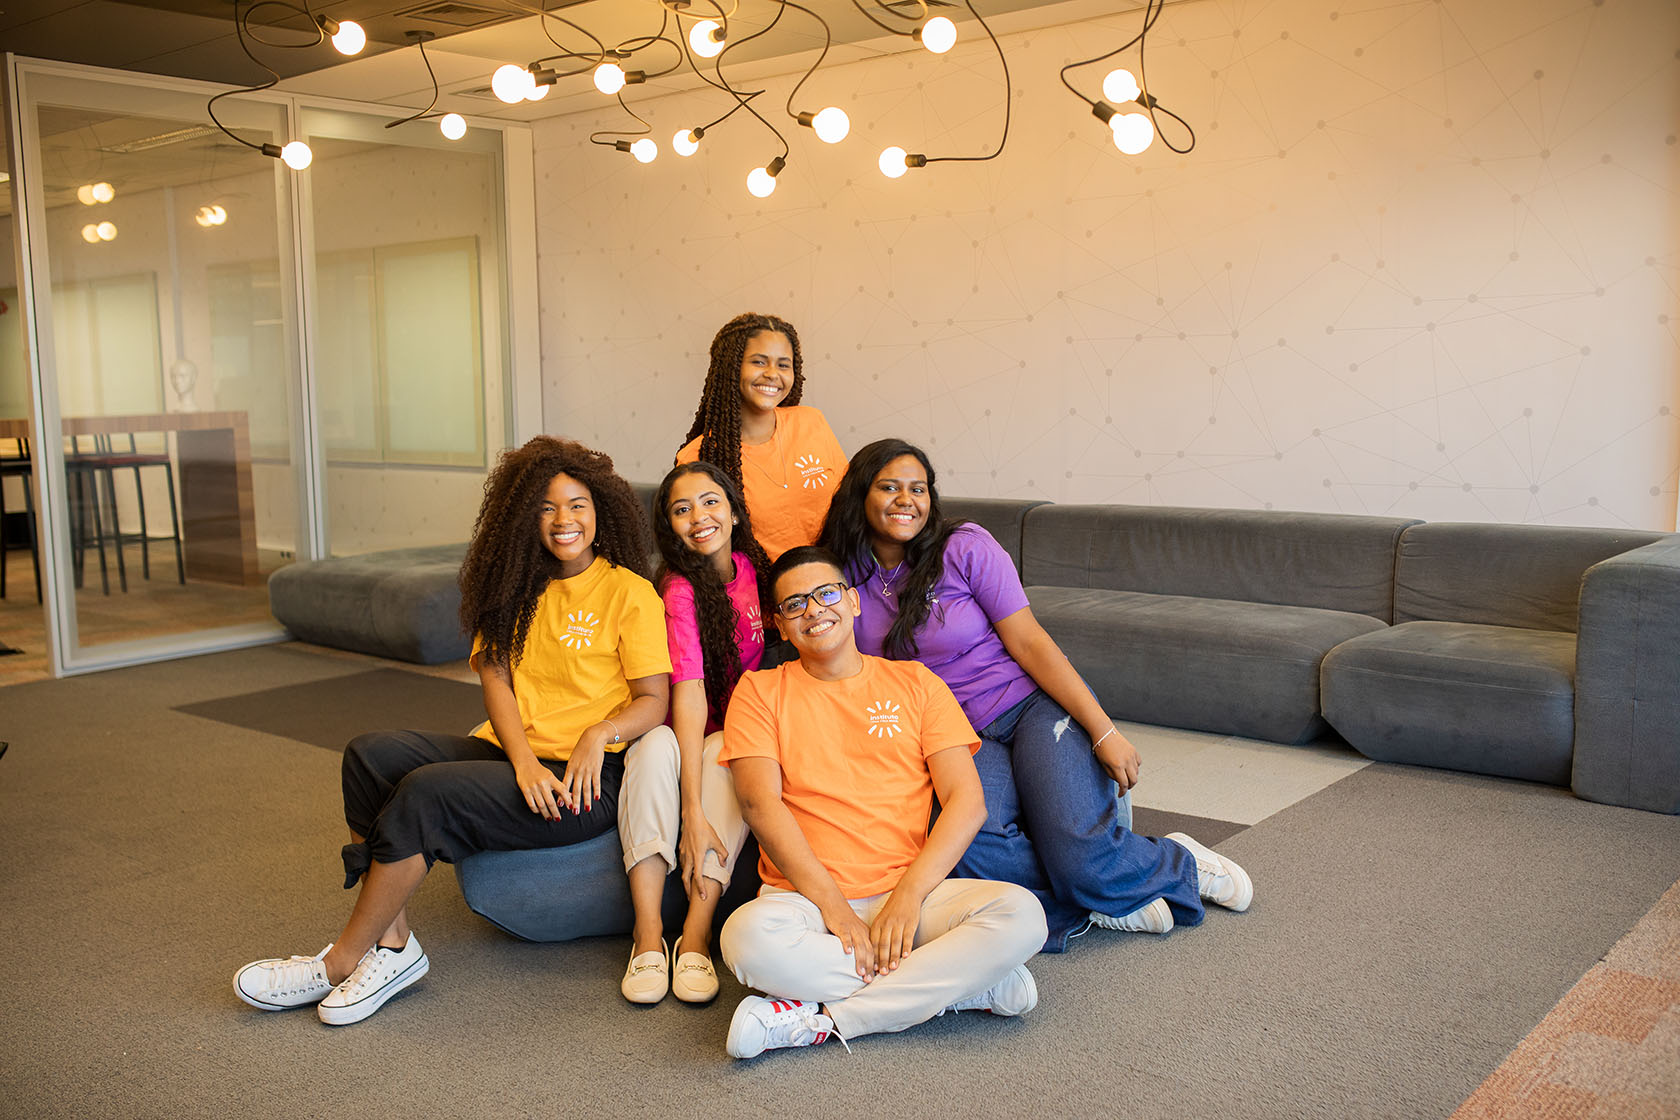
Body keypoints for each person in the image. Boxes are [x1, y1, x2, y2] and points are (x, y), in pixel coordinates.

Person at [234, 437, 672, 1025]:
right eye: (545, 507)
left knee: (427, 794)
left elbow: (654, 700)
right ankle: (395, 946)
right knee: (370, 756)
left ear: (601, 512)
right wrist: (521, 761)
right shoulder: (516, 586)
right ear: (523, 517)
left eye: (577, 504)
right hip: (515, 757)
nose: (563, 520)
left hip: (586, 781)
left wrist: (600, 732)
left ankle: (341, 960)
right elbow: (495, 676)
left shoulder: (629, 591)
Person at [819, 438, 1254, 951]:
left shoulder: (964, 545)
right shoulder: (842, 574)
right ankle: (1097, 895)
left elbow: (1029, 641)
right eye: (888, 486)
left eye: (918, 489)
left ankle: (1175, 862)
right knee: (972, 848)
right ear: (860, 494)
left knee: (1076, 851)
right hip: (952, 735)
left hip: (1029, 707)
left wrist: (1103, 729)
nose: (905, 499)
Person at [715, 546, 1048, 1059]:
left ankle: (823, 1020)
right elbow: (761, 807)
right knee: (744, 939)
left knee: (1023, 915)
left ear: (852, 603)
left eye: (826, 594)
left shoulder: (915, 683)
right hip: (806, 901)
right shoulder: (759, 691)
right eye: (795, 604)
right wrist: (836, 910)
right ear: (780, 625)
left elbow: (967, 802)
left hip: (910, 893)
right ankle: (957, 986)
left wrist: (909, 896)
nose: (814, 610)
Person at [616, 462, 772, 1004]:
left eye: (710, 502)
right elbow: (688, 693)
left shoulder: (754, 569)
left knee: (732, 745)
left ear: (732, 509)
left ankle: (696, 937)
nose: (699, 517)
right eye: (681, 510)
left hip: (729, 734)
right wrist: (692, 813)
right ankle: (648, 938)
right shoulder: (679, 590)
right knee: (660, 744)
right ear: (669, 527)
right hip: (676, 731)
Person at [675, 312, 845, 559]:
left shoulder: (812, 422)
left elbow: (850, 504)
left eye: (783, 364)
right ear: (731, 367)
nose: (772, 374)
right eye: (759, 362)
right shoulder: (699, 457)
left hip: (833, 582)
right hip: (756, 590)